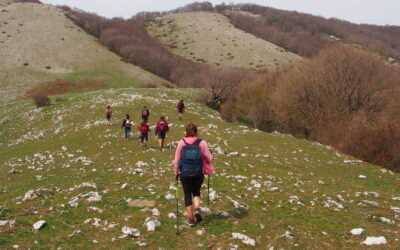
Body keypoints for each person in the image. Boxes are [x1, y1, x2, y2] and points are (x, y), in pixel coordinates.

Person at [174, 123, 214, 227]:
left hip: (185, 173)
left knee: (187, 194)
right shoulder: (202, 143)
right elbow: (209, 158)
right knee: (196, 191)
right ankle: (197, 209)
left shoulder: (181, 143)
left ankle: (191, 219)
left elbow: (177, 159)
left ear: (186, 131)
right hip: (198, 172)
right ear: (196, 131)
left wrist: (176, 172)